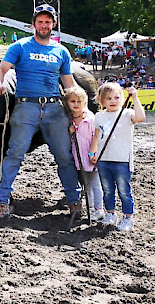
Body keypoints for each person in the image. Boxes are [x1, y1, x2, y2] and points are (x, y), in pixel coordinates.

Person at [0, 5, 81, 219]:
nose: (44, 25)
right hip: (26, 106)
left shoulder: (61, 51)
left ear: (54, 24)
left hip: (54, 108)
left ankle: (74, 199)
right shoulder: (20, 46)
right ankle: (1, 199)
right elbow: (1, 71)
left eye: (48, 22)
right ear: (34, 24)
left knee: (64, 156)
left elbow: (69, 83)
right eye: (40, 21)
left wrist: (81, 106)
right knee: (15, 154)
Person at [90, 83, 145, 232]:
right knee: (107, 190)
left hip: (122, 160)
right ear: (102, 101)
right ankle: (110, 214)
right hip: (104, 160)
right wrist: (92, 153)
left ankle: (127, 217)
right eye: (108, 98)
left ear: (122, 98)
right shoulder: (99, 116)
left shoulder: (127, 113)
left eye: (116, 97)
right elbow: (96, 136)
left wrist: (135, 97)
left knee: (124, 191)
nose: (113, 101)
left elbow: (140, 117)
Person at [65, 86, 104, 221]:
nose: (76, 104)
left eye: (79, 101)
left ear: (85, 103)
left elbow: (97, 138)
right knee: (85, 184)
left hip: (90, 157)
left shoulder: (90, 119)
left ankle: (98, 209)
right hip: (79, 158)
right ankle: (90, 207)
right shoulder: (70, 120)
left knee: (94, 184)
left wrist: (95, 154)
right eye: (73, 101)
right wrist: (70, 133)